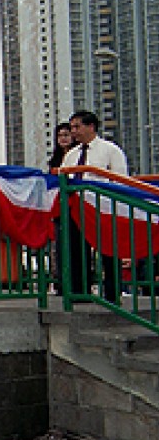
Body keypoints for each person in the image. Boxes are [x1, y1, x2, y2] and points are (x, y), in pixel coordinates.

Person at [61, 109, 128, 304]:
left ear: (91, 127)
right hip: (78, 209)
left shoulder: (110, 150)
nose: (73, 131)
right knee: (77, 250)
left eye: (77, 127)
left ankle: (112, 294)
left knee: (109, 251)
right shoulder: (71, 155)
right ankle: (80, 292)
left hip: (104, 209)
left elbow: (120, 181)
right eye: (71, 127)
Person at [47, 122, 74, 292]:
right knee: (59, 247)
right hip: (58, 208)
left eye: (66, 134)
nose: (63, 138)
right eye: (60, 135)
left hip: (76, 206)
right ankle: (61, 283)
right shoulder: (55, 160)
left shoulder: (78, 155)